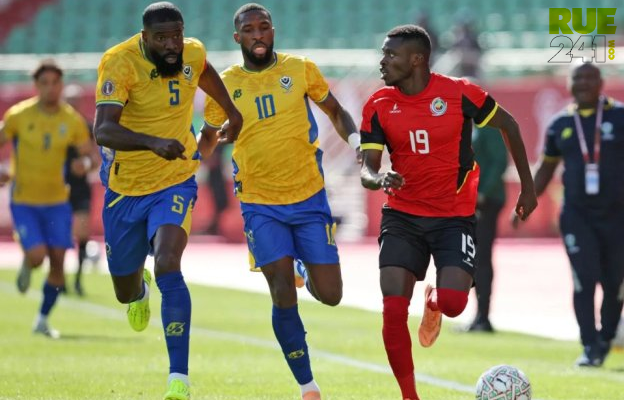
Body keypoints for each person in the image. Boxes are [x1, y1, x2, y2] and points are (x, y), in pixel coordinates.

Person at [359, 25, 537, 400]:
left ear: (417, 59)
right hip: (402, 216)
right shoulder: (378, 104)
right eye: (383, 54)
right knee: (393, 309)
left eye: (390, 55)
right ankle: (409, 396)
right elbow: (367, 169)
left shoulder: (459, 93)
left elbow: (509, 124)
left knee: (455, 304)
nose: (382, 61)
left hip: (453, 216)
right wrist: (379, 178)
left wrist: (528, 186)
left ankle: (435, 303)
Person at [200, 4, 360, 399]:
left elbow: (336, 111)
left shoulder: (300, 69)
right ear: (237, 37)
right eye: (249, 29)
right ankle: (307, 385)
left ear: (273, 31)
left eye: (264, 27)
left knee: (332, 295)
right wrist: (189, 158)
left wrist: (358, 145)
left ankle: (303, 264)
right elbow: (207, 138)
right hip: (259, 203)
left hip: (309, 198)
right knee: (281, 290)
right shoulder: (224, 84)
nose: (257, 34)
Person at [93, 3, 242, 399]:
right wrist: (151, 142)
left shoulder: (191, 51)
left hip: (175, 180)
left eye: (176, 35)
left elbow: (203, 70)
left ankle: (179, 378)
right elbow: (103, 130)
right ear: (145, 37)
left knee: (168, 263)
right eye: (161, 38)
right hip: (125, 189)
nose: (172, 44)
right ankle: (137, 292)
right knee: (123, 290)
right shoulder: (120, 63)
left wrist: (232, 111)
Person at [514, 63, 624, 368]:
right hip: (578, 215)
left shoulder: (620, 116)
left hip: (617, 216)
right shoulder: (560, 123)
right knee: (583, 279)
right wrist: (526, 200)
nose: (583, 83)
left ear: (601, 83)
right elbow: (546, 168)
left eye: (590, 78)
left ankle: (606, 338)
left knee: (614, 283)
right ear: (569, 83)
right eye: (578, 78)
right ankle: (589, 345)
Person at [0, 60, 93, 338]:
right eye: (45, 83)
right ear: (36, 86)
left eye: (55, 83)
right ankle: (29, 262)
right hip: (24, 200)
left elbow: (90, 155)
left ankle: (42, 319)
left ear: (61, 85)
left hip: (57, 202)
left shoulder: (71, 120)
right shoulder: (19, 115)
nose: (51, 88)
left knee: (58, 263)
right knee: (38, 256)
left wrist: (84, 164)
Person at [466, 123, 508, 332]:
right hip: (470, 201)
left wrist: (483, 192)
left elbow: (500, 161)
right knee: (472, 256)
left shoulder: (487, 126)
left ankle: (483, 317)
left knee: (480, 256)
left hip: (484, 201)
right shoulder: (470, 126)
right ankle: (478, 316)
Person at [63, 84, 99, 296]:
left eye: (75, 101)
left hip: (79, 186)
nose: (72, 105)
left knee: (82, 233)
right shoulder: (54, 125)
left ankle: (77, 279)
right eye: (69, 101)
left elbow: (95, 160)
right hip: (56, 187)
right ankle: (59, 277)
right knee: (59, 234)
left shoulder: (86, 127)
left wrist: (84, 165)